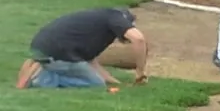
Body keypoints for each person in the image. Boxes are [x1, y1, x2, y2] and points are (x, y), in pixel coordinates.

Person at [15, 7, 148, 89]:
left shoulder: (99, 25)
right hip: (58, 52)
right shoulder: (115, 17)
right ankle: (41, 79)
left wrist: (114, 82)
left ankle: (41, 61)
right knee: (96, 85)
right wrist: (140, 73)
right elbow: (139, 39)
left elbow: (91, 62)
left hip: (45, 46)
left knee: (98, 81)